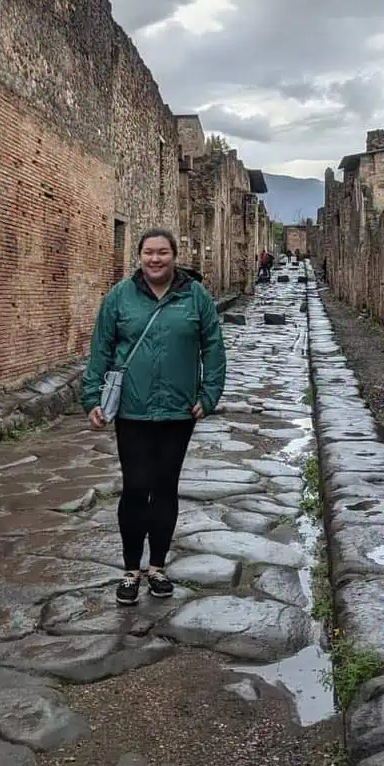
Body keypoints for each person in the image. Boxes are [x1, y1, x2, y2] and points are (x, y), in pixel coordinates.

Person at [82, 227, 226, 604]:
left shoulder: (195, 297)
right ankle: (131, 570)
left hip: (179, 411)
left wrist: (209, 394)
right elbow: (101, 347)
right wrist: (91, 397)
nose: (155, 259)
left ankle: (158, 567)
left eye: (163, 252)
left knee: (164, 488)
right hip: (132, 409)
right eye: (149, 252)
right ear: (140, 256)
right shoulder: (119, 297)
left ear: (174, 256)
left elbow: (213, 347)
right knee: (135, 487)